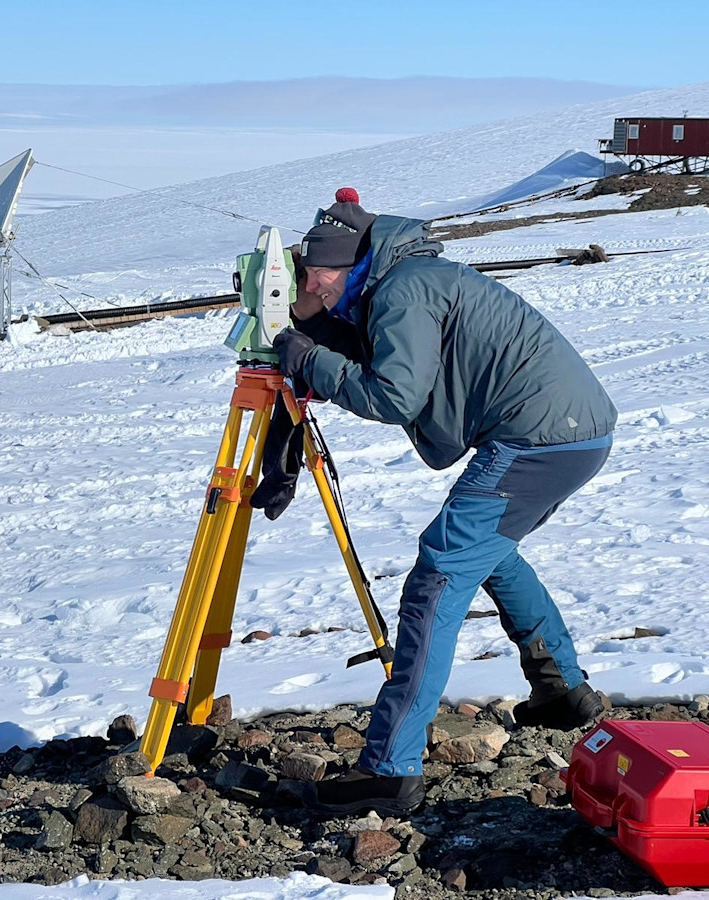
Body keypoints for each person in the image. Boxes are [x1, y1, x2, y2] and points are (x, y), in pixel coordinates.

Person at [264, 189, 618, 818]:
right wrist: (319, 334)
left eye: (319, 275)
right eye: (306, 273)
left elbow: (394, 396)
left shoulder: (403, 292)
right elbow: (391, 353)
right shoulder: (404, 279)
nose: (311, 283)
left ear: (352, 265)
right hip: (571, 433)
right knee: (489, 552)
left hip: (537, 438)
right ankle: (561, 690)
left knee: (439, 575)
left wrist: (308, 357)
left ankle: (389, 770)